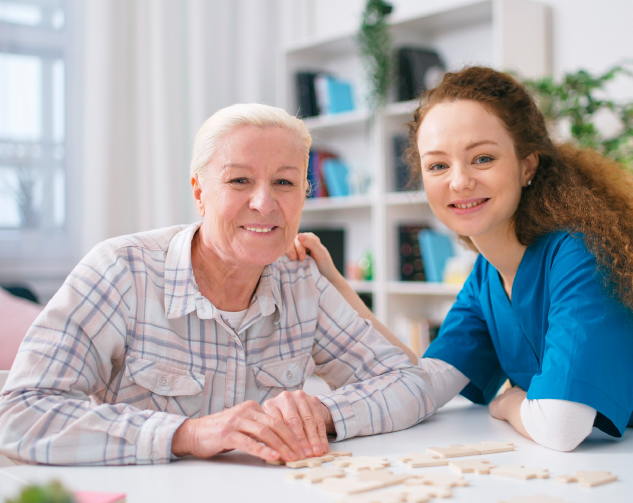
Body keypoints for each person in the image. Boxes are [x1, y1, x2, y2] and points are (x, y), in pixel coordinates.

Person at [291, 66, 633, 452]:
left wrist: (508, 403)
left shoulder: (585, 254)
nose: (459, 181)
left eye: (482, 158)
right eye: (438, 166)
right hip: (615, 475)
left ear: (527, 165)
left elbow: (562, 426)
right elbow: (424, 383)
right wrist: (334, 283)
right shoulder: (487, 275)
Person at [0, 103, 435, 466]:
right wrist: (186, 434)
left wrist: (321, 413)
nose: (264, 203)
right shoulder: (121, 270)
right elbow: (20, 413)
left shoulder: (301, 279)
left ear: (304, 195)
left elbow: (408, 382)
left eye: (284, 182)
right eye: (239, 180)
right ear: (199, 192)